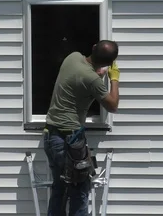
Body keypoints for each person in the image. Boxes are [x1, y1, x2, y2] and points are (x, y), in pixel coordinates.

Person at [42, 40, 120, 216]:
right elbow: (112, 105)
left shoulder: (72, 57)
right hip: (69, 141)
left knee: (59, 191)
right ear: (109, 63)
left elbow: (81, 80)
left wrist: (98, 75)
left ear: (93, 47)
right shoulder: (93, 80)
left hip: (50, 135)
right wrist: (114, 79)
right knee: (79, 190)